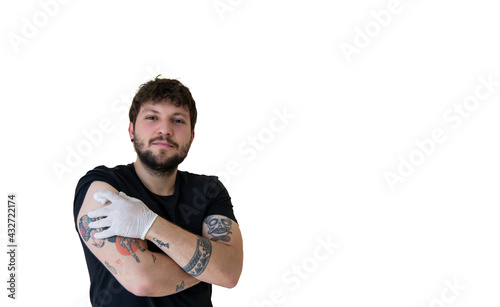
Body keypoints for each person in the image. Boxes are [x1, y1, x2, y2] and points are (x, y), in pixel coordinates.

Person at [73, 77, 243, 307]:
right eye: (152, 117)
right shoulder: (103, 185)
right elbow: (142, 279)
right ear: (132, 129)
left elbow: (230, 272)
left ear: (191, 137)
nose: (165, 129)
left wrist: (149, 224)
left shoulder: (209, 190)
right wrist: (211, 267)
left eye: (178, 120)